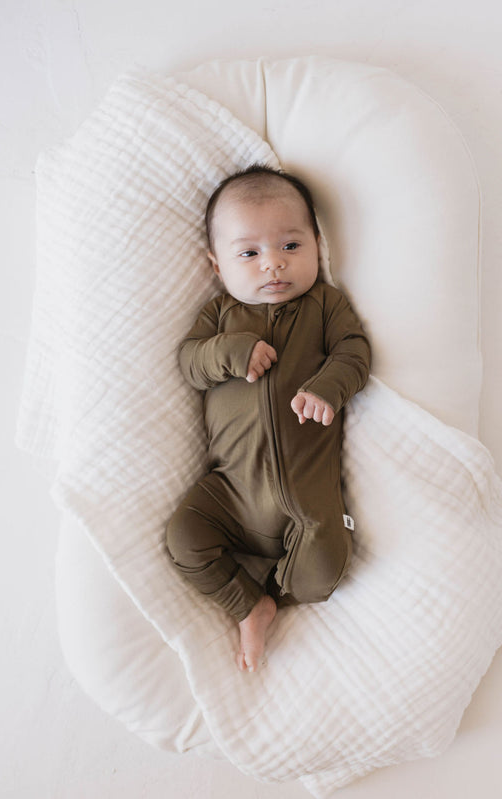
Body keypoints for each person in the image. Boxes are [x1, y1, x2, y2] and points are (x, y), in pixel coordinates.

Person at [166, 164, 371, 673]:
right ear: (217, 266)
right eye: (250, 253)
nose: (273, 266)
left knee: (327, 570)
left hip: (308, 497)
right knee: (184, 538)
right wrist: (230, 353)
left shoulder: (326, 305)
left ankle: (275, 596)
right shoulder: (220, 317)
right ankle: (247, 604)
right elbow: (190, 363)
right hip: (229, 492)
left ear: (317, 245)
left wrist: (329, 384)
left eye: (291, 247)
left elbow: (355, 352)